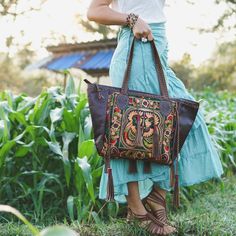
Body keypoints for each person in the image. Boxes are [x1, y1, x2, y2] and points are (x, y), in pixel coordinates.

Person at [86, 0, 224, 235]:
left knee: (185, 120)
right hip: (135, 47)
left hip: (157, 46)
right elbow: (94, 11)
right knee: (129, 130)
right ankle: (137, 210)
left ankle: (155, 197)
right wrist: (132, 19)